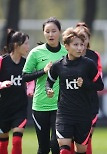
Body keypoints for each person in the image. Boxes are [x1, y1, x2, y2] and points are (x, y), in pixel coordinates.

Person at [46, 27, 104, 154]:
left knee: (81, 150)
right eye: (75, 45)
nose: (80, 48)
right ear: (66, 46)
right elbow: (49, 81)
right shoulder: (58, 65)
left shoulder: (89, 64)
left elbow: (100, 85)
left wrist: (86, 84)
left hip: (83, 114)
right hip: (64, 114)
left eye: (82, 45)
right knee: (64, 151)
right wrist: (48, 89)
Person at [22, 17, 68, 154]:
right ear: (43, 33)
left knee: (55, 145)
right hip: (40, 105)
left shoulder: (66, 52)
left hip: (60, 106)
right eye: (47, 31)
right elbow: (25, 76)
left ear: (60, 32)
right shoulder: (36, 53)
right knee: (44, 147)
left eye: (54, 31)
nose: (50, 34)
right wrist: (43, 71)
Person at [67, 22, 103, 154]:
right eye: (77, 40)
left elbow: (99, 80)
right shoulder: (66, 57)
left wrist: (85, 83)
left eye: (84, 38)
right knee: (68, 138)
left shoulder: (94, 57)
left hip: (89, 102)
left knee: (86, 138)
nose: (80, 44)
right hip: (69, 103)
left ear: (88, 40)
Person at [0, 29, 30, 154]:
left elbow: (31, 80)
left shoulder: (27, 63)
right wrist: (1, 84)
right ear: (17, 45)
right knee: (2, 145)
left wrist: (31, 89)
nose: (28, 47)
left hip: (20, 109)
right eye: (26, 44)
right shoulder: (2, 61)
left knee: (17, 141)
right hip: (3, 109)